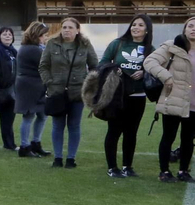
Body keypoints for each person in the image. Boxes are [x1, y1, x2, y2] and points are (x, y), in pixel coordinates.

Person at [38, 16, 98, 169]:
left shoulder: (85, 45)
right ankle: (57, 158)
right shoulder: (52, 44)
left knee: (74, 125)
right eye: (64, 27)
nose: (66, 30)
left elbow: (94, 67)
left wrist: (88, 86)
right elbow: (43, 66)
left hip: (77, 93)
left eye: (70, 27)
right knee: (57, 125)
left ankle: (71, 158)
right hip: (56, 92)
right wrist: (49, 82)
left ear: (77, 30)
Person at [100, 15, 155, 178]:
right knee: (114, 131)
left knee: (131, 132)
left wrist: (145, 72)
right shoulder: (117, 44)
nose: (135, 27)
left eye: (140, 25)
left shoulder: (150, 49)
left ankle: (127, 167)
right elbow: (102, 63)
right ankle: (112, 168)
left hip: (138, 96)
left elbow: (157, 68)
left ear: (147, 30)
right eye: (133, 24)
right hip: (117, 95)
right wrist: (114, 69)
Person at [146, 17, 195, 183]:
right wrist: (166, 76)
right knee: (169, 136)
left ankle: (183, 171)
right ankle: (164, 171)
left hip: (193, 104)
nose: (193, 29)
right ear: (185, 29)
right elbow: (149, 61)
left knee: (188, 139)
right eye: (191, 26)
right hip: (174, 99)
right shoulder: (171, 46)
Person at [13, 21, 51, 158]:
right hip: (30, 85)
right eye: (44, 35)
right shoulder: (32, 49)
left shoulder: (33, 48)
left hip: (36, 84)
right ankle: (24, 146)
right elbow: (47, 64)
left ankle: (36, 143)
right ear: (37, 35)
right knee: (29, 115)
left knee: (42, 114)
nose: (45, 37)